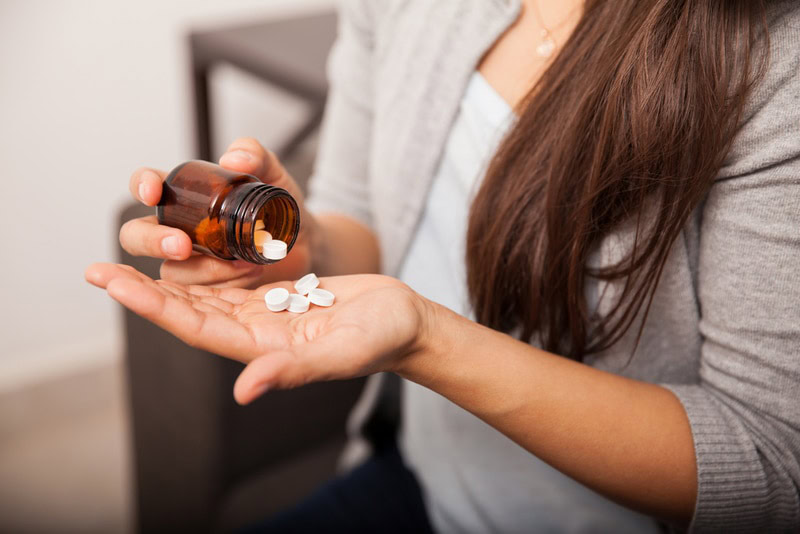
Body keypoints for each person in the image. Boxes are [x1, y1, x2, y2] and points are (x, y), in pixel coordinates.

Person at [85, 0, 800, 531]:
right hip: (423, 482)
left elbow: (771, 461)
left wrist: (428, 341)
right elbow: (358, 213)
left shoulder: (774, 60)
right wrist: (303, 256)